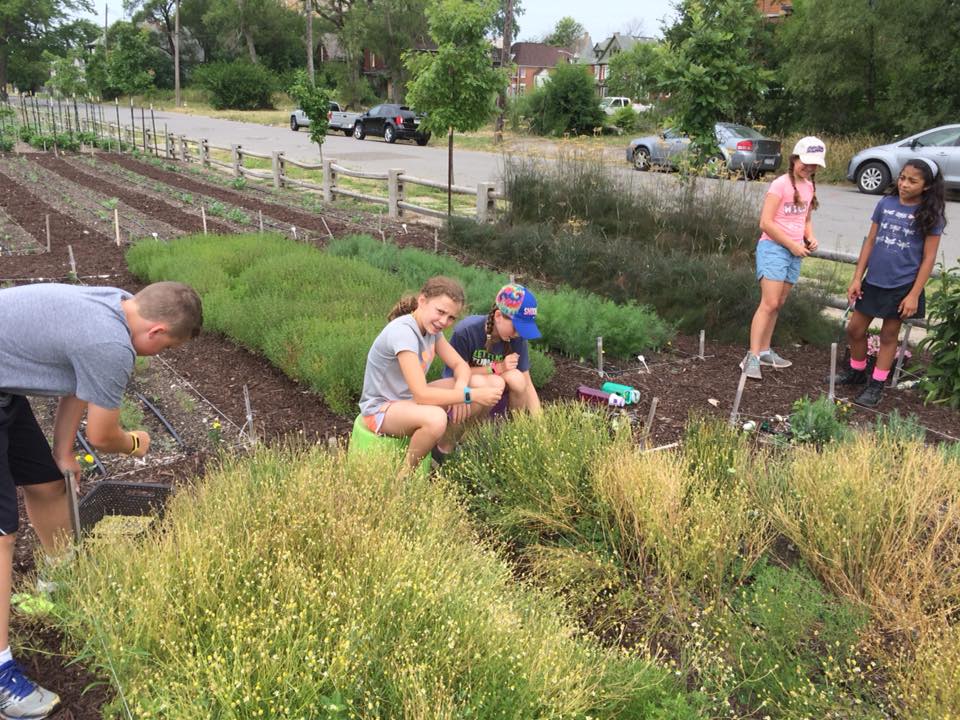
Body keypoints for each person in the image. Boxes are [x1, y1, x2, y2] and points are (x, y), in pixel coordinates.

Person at [0, 281, 203, 718]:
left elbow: (79, 380)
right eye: (166, 347)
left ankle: (61, 579)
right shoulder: (112, 344)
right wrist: (135, 442)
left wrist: (63, 451)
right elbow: (104, 435)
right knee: (2, 535)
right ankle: (0, 678)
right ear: (157, 332)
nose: (159, 355)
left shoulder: (115, 301)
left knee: (49, 483)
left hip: (3, 388)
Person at [358, 276, 504, 470]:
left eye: (451, 317)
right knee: (436, 418)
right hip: (382, 409)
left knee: (490, 382)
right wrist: (469, 395)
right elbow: (422, 394)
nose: (444, 321)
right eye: (440, 311)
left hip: (409, 401)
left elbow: (460, 365)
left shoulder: (432, 331)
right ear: (422, 301)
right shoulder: (404, 333)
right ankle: (404, 478)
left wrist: (461, 392)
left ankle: (444, 449)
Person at [833, 158, 946, 407]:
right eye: (903, 178)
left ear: (927, 186)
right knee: (855, 329)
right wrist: (856, 277)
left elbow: (928, 259)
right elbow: (870, 241)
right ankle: (857, 370)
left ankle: (876, 385)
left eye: (912, 181)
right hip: (873, 281)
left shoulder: (931, 216)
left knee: (889, 335)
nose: (904, 184)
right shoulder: (885, 203)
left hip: (902, 285)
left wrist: (914, 294)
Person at [742, 137, 826, 380]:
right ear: (794, 159)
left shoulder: (809, 186)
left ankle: (765, 350)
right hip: (774, 249)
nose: (809, 168)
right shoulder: (780, 185)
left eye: (814, 165)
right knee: (768, 303)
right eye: (805, 163)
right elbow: (766, 223)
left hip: (794, 251)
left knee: (778, 304)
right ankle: (752, 357)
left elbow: (805, 219)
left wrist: (810, 237)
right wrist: (791, 244)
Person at [441, 283, 543, 419]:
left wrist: (540, 423)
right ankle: (468, 433)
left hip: (493, 388)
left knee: (517, 379)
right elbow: (457, 374)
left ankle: (514, 427)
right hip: (464, 385)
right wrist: (497, 368)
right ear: (498, 316)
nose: (518, 333)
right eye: (517, 327)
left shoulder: (516, 337)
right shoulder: (467, 331)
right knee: (493, 383)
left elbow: (527, 383)